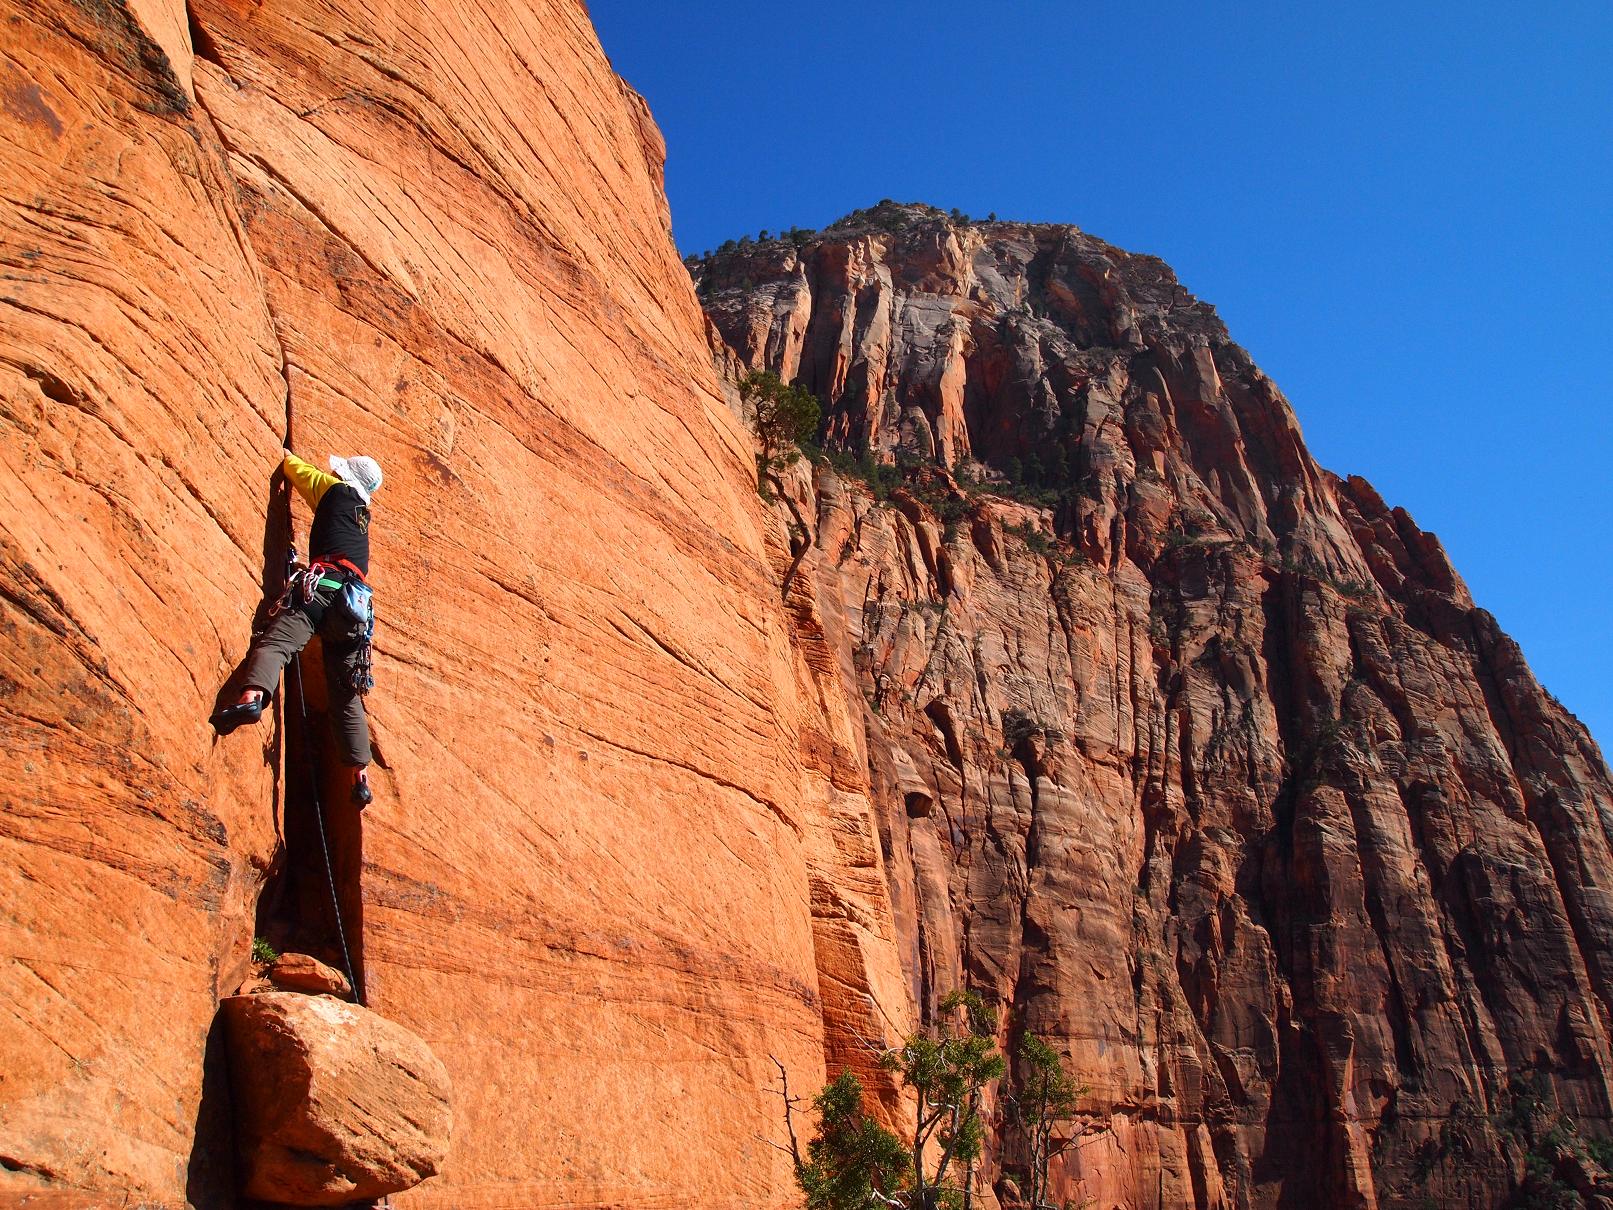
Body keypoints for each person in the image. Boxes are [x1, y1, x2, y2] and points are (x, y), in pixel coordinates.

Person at [214, 449, 383, 807]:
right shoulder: (363, 516)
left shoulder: (334, 490)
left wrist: (282, 451)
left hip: (322, 591)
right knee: (345, 694)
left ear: (345, 477)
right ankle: (360, 777)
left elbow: (296, 470)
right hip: (354, 612)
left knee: (277, 642)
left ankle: (251, 699)